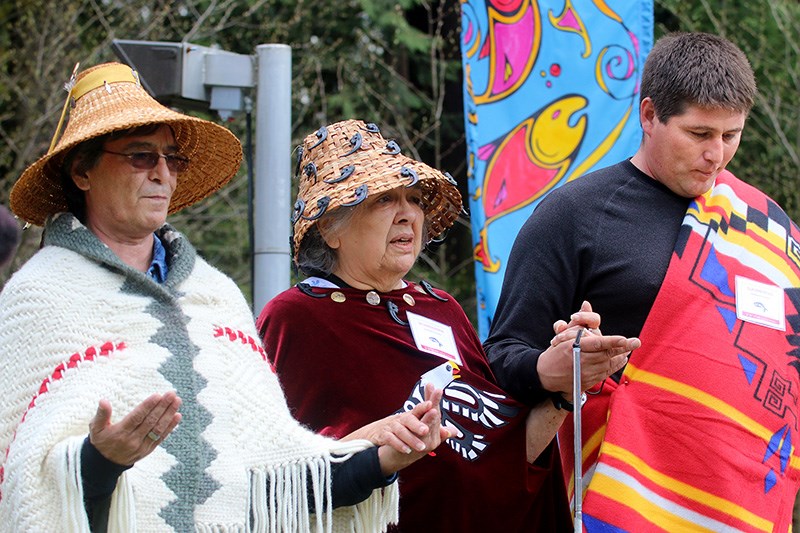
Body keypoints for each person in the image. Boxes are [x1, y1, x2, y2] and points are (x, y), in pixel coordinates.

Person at [0, 62, 450, 532]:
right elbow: (24, 483)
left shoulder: (214, 296)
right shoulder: (38, 296)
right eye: (140, 156)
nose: (161, 173)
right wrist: (98, 462)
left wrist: (382, 460)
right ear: (82, 172)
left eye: (172, 159)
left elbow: (276, 476)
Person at [256, 119, 640, 531]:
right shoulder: (295, 318)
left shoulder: (440, 307)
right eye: (384, 199)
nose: (407, 214)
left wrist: (569, 384)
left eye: (414, 198)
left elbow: (507, 453)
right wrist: (378, 445)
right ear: (331, 227)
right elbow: (280, 477)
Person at [484, 31, 800, 531]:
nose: (716, 155)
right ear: (649, 115)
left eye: (731, 135)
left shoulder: (769, 227)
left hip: (749, 507)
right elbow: (500, 356)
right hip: (620, 502)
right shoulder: (575, 215)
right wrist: (558, 369)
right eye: (699, 134)